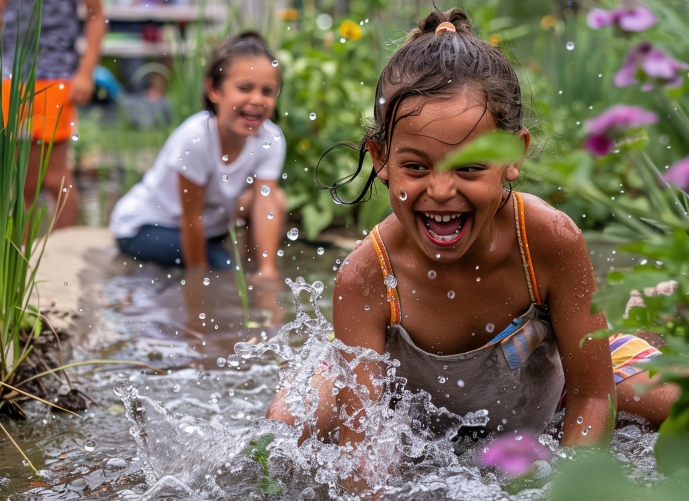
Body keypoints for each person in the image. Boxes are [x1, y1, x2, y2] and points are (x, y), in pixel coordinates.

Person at [266, 6, 678, 485]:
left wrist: (569, 489)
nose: (441, 191)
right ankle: (321, 370)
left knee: (675, 406)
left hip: (551, 393)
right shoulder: (367, 277)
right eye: (416, 167)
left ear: (512, 156)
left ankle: (631, 329)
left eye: (469, 167)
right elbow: (365, 457)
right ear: (381, 159)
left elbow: (591, 396)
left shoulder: (546, 240)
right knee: (286, 432)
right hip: (410, 414)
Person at [109, 33, 286, 280]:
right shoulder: (195, 138)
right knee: (222, 266)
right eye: (245, 88)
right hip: (145, 227)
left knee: (276, 198)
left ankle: (255, 269)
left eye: (267, 91)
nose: (257, 100)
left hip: (207, 226)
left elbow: (266, 202)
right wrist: (198, 282)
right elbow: (191, 219)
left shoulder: (270, 138)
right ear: (214, 90)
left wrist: (268, 271)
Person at [0, 0, 106, 228]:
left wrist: (86, 73)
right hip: (9, 79)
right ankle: (20, 256)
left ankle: (66, 252)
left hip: (55, 77)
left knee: (55, 178)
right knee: (21, 182)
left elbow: (96, 15)